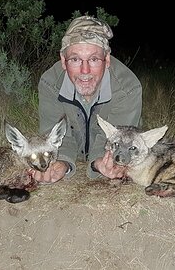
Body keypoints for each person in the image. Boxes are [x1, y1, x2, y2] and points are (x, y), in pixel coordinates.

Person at [32, 15, 142, 183]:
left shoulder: (128, 87)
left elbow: (118, 139)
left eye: (94, 59)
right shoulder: (50, 84)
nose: (85, 71)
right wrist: (62, 162)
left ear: (107, 60)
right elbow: (54, 136)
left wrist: (99, 162)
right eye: (75, 59)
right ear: (63, 61)